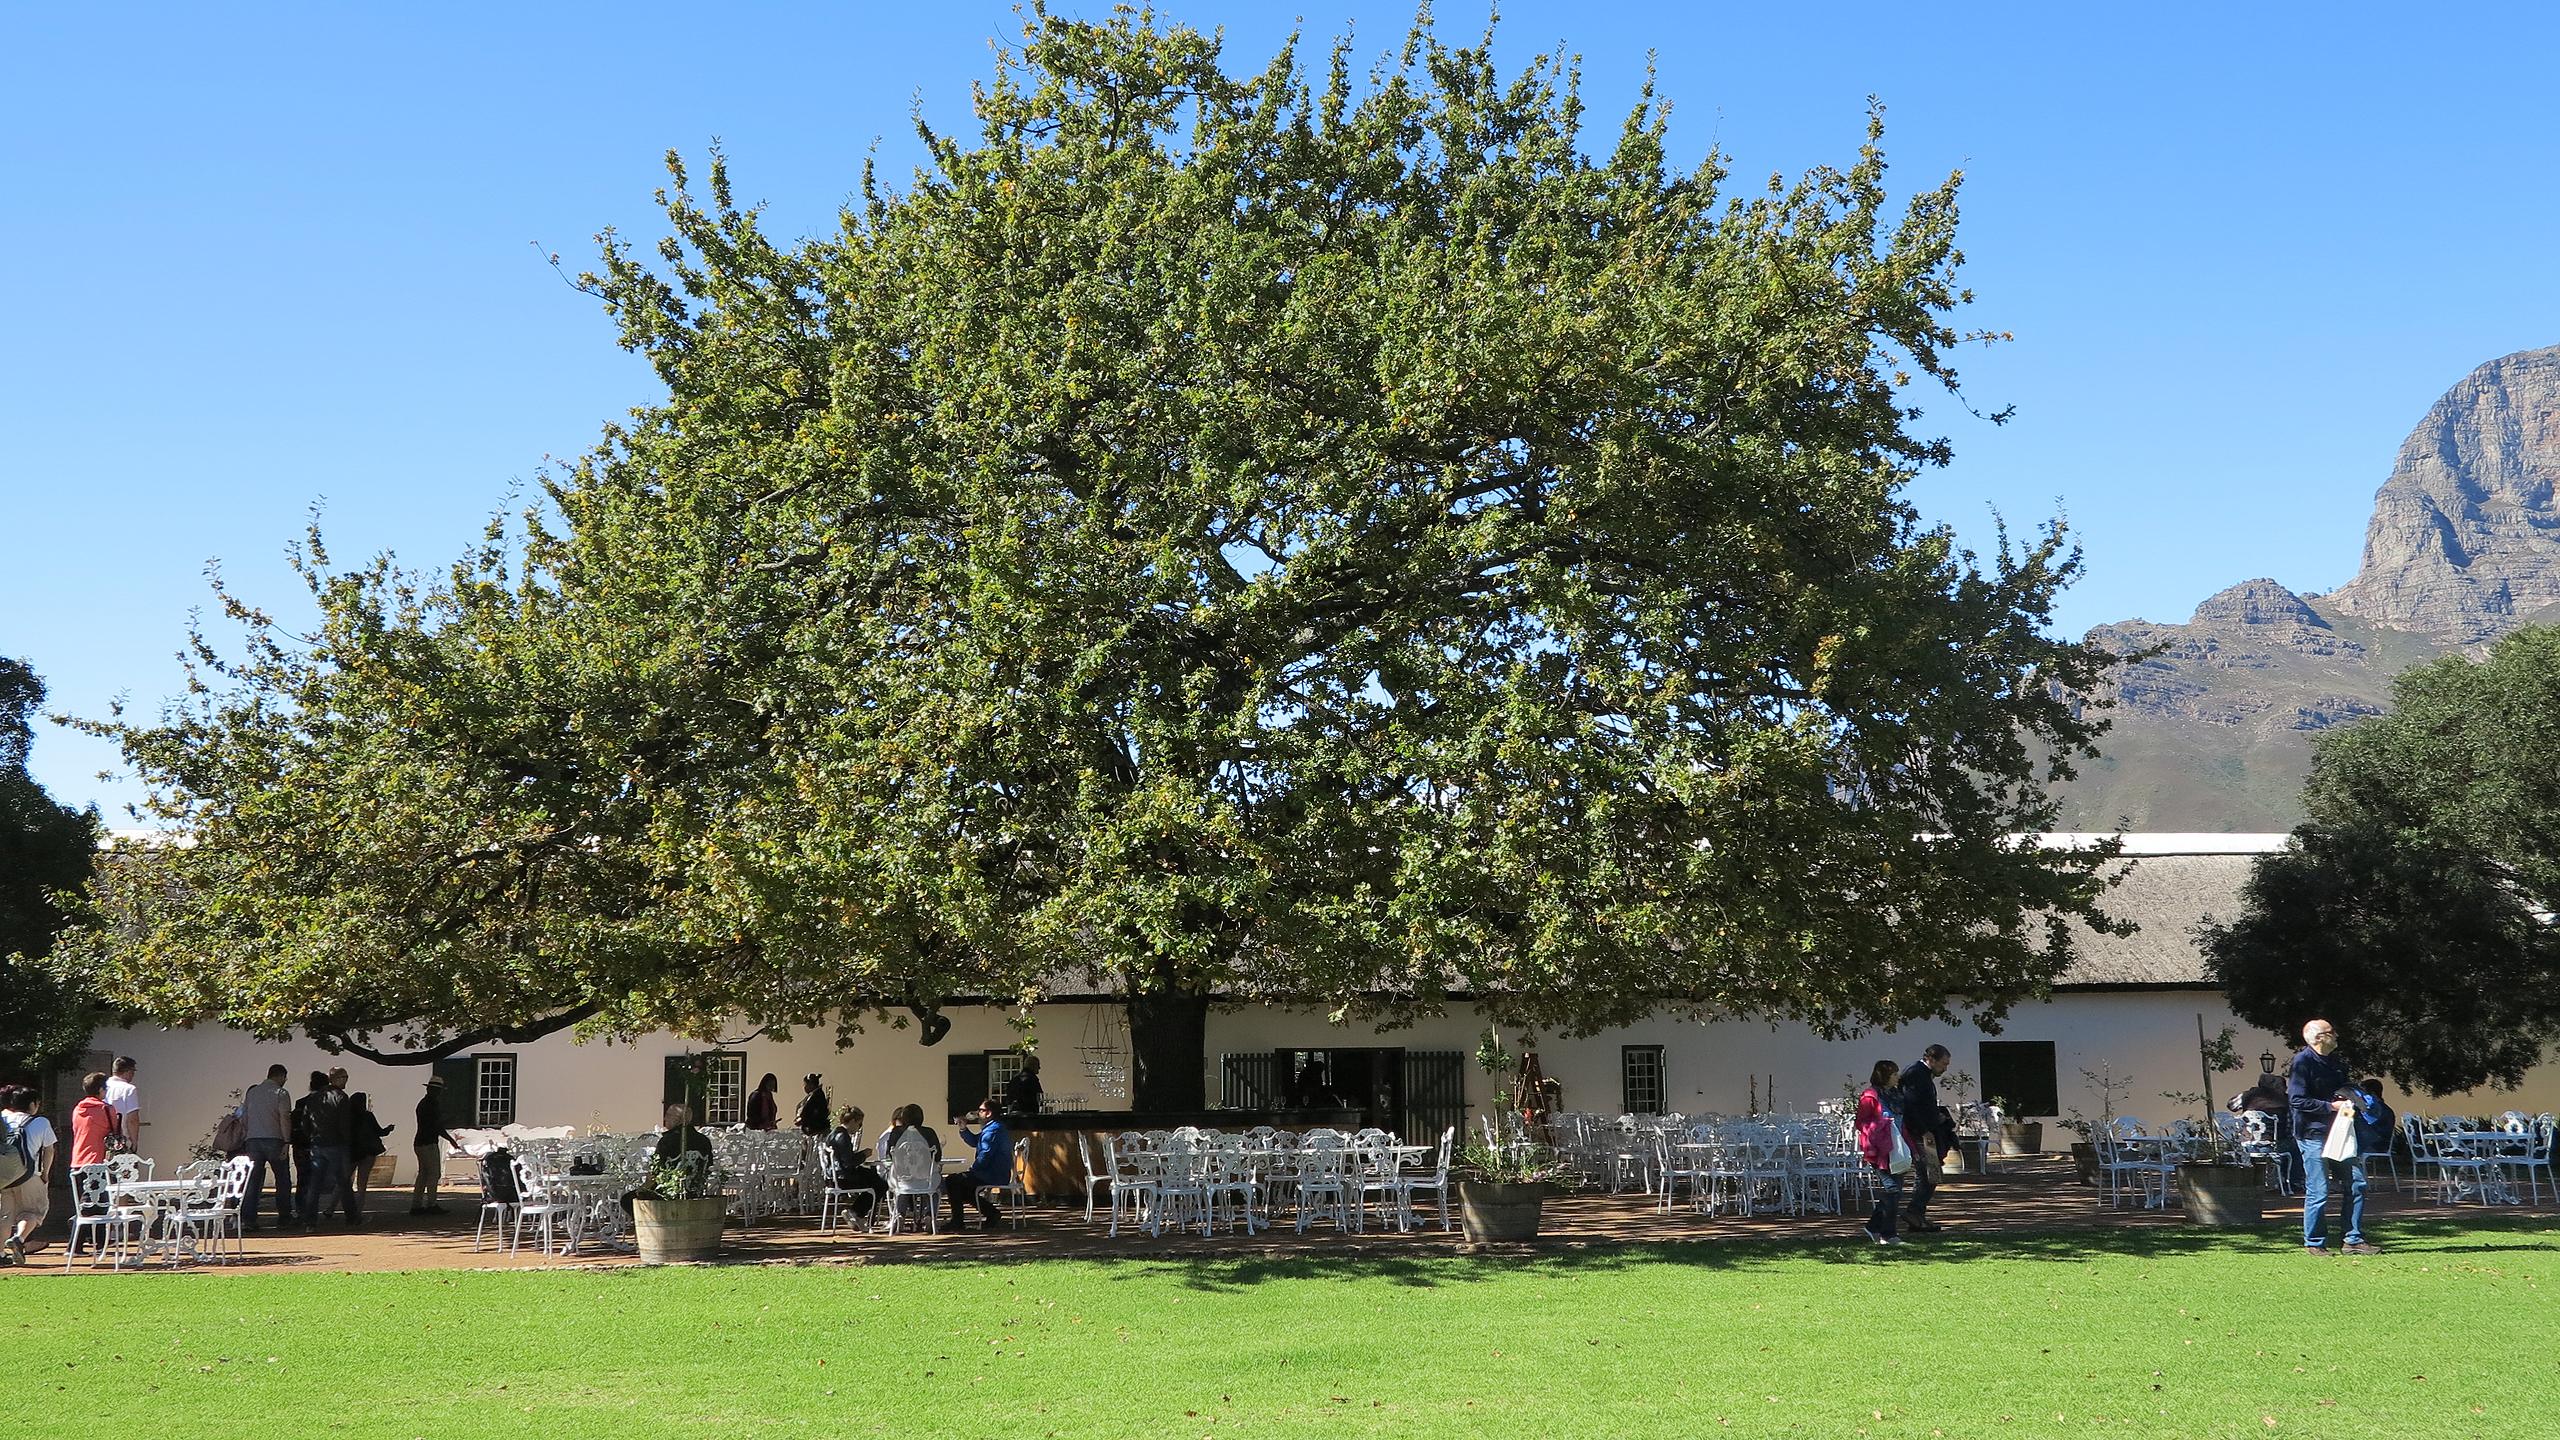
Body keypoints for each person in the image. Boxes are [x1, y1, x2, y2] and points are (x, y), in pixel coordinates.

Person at [2288, 1018, 2378, 1256]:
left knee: (2357, 1183)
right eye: (2332, 1032)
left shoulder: (2337, 1063)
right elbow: (2296, 1100)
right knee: (2319, 1189)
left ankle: (2353, 1239)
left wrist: (2353, 1097)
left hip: (2340, 1131)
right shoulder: (2302, 1062)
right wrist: (2331, 1107)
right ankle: (2315, 1242)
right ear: (2318, 1038)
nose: (2336, 1035)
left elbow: (2343, 1088)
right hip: (2311, 1133)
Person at [1894, 1044, 1953, 1234]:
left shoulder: (1921, 1074)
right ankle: (1915, 1212)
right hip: (1920, 1132)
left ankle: (1917, 1215)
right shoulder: (1916, 1074)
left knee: (1931, 1173)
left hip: (1926, 1129)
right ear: (1931, 1059)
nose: (1945, 1068)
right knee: (1929, 1172)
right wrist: (1923, 1130)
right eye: (1943, 1064)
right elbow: (1910, 1106)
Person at [1855, 1059, 1908, 1246]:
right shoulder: (1871, 1096)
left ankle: (1875, 1228)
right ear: (1884, 1076)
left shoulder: (1896, 1095)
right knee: (1892, 1190)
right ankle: (1888, 1233)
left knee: (1896, 1191)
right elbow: (1861, 1123)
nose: (1897, 1077)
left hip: (1897, 1149)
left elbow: (1903, 1123)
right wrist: (1880, 1127)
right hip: (1879, 1151)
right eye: (1894, 1074)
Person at [1, 1086, 55, 1265]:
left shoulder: (3, 1118)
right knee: (32, 1212)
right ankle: (19, 1238)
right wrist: (45, 1175)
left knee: (5, 1215)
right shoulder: (40, 1122)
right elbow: (49, 1150)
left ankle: (0, 1254)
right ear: (32, 1104)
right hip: (29, 1175)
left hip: (4, 1175)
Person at [240, 1062, 298, 1230]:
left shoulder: (252, 1093)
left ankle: (248, 1219)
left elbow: (244, 1117)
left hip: (253, 1140)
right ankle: (284, 1217)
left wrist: (247, 1135)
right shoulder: (281, 1093)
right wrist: (287, 1141)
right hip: (274, 1139)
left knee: (252, 1181)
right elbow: (284, 1117)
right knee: (282, 1179)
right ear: (281, 1076)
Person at [2228, 1065, 2300, 1192]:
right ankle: (2292, 1182)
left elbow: (2231, 1105)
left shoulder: (2248, 1095)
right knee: (2295, 1146)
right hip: (2274, 1145)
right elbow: (2290, 1126)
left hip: (2248, 1143)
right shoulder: (2285, 1100)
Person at [295, 1070, 353, 1226]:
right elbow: (344, 1125)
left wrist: (312, 1137)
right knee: (343, 1182)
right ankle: (352, 1217)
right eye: (344, 1077)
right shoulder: (341, 1097)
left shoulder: (314, 1098)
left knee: (314, 1184)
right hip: (336, 1144)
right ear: (336, 1079)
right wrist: (346, 1142)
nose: (346, 1080)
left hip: (317, 1144)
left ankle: (310, 1221)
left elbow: (305, 1123)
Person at [947, 1095, 1014, 1231]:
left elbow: (985, 1155)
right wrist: (963, 1129)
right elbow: (975, 1142)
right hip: (991, 1172)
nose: (978, 1114)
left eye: (981, 1110)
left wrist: (973, 1170)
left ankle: (958, 1221)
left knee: (952, 1181)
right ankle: (991, 1213)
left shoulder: (994, 1130)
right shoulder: (992, 1128)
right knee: (962, 1186)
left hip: (993, 1173)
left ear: (988, 1113)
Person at [825, 1105, 888, 1221]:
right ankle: (857, 1212)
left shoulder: (833, 1134)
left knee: (874, 1179)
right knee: (880, 1184)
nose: (859, 1128)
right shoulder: (842, 1136)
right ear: (853, 1121)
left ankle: (858, 1212)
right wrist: (863, 1155)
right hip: (843, 1177)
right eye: (859, 1123)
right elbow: (848, 1162)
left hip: (833, 1176)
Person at [411, 1076, 460, 1215]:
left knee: (423, 1174)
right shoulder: (431, 1104)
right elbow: (436, 1126)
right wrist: (450, 1139)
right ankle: (431, 1204)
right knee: (434, 1173)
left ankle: (416, 1205)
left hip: (420, 1142)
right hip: (428, 1143)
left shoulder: (423, 1103)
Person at [346, 1084, 392, 1221]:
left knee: (344, 1181)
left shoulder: (347, 1117)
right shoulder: (368, 1116)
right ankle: (357, 1212)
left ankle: (331, 1208)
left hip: (352, 1152)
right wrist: (388, 1129)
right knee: (362, 1184)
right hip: (367, 1153)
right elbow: (380, 1132)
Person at [69, 1071, 114, 1168]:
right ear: (101, 1089)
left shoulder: (77, 1109)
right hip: (99, 1160)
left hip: (77, 1160)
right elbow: (115, 1131)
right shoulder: (106, 1109)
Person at [104, 1055, 141, 1155]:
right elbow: (132, 1119)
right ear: (128, 1071)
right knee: (126, 1169)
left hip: (104, 1140)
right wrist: (134, 1142)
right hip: (121, 1140)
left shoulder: (103, 1087)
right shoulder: (129, 1089)